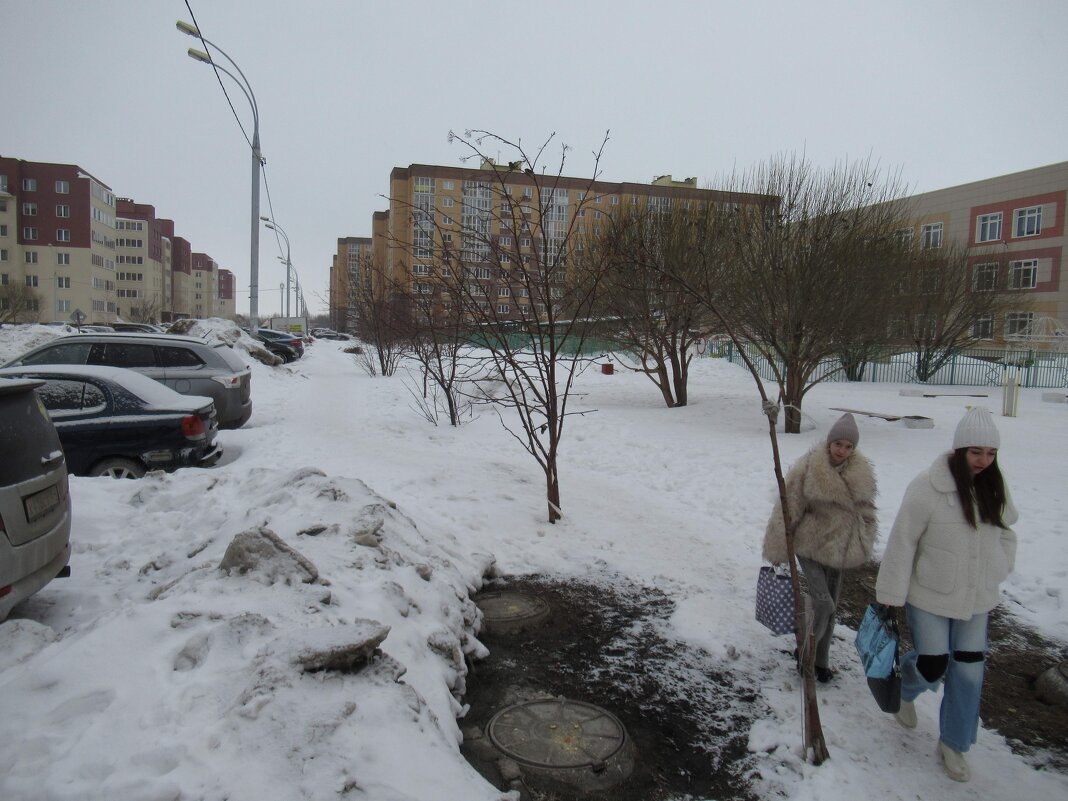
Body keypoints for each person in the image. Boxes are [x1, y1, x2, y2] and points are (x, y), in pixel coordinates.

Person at [875, 406, 1017, 783]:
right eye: (976, 452)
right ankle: (906, 687)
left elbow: (1007, 532)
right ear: (959, 451)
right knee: (933, 663)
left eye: (990, 453)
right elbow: (902, 541)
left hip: (977, 599)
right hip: (931, 595)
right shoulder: (929, 486)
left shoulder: (995, 487)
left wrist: (1001, 565)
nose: (984, 461)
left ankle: (953, 743)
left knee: (969, 673)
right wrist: (891, 591)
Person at [762, 412, 878, 682]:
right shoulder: (809, 469)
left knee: (832, 606)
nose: (842, 450)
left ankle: (821, 662)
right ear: (829, 443)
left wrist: (865, 537)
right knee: (823, 604)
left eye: (849, 446)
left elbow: (867, 509)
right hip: (809, 545)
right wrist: (778, 545)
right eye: (838, 444)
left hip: (840, 549)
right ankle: (806, 653)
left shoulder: (861, 473)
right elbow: (788, 506)